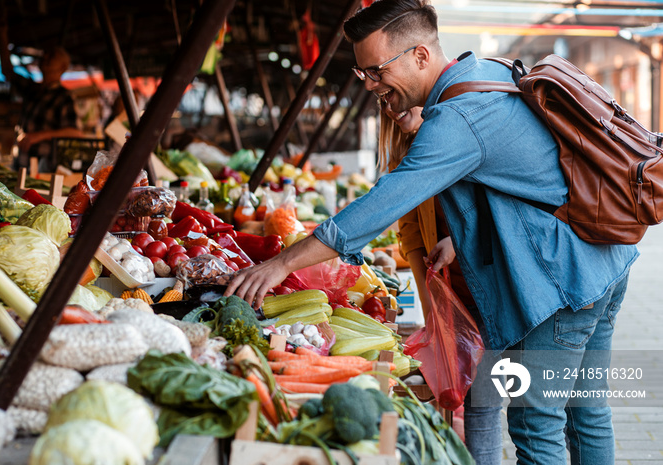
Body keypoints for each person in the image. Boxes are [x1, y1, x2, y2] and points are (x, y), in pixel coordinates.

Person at [226, 1, 637, 464]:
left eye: (377, 71)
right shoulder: (491, 74)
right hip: (604, 260)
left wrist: (282, 262)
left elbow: (383, 203)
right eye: (363, 74)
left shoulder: (457, 117)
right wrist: (460, 239)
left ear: (421, 56)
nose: (371, 85)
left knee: (535, 422)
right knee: (587, 410)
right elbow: (520, 185)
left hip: (565, 283)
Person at [379, 102, 503, 465]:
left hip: (490, 287)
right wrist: (430, 301)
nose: (392, 109)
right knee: (474, 401)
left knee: (492, 404)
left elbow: (498, 206)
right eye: (385, 101)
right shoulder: (403, 156)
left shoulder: (460, 132)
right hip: (451, 293)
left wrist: (460, 244)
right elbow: (411, 233)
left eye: (400, 100)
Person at [0, 20, 84, 170]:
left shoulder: (64, 97)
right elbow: (7, 72)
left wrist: (39, 135)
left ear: (62, 68)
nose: (46, 58)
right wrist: (2, 37)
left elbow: (75, 132)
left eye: (52, 56)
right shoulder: (33, 89)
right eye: (46, 55)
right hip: (21, 163)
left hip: (43, 167)